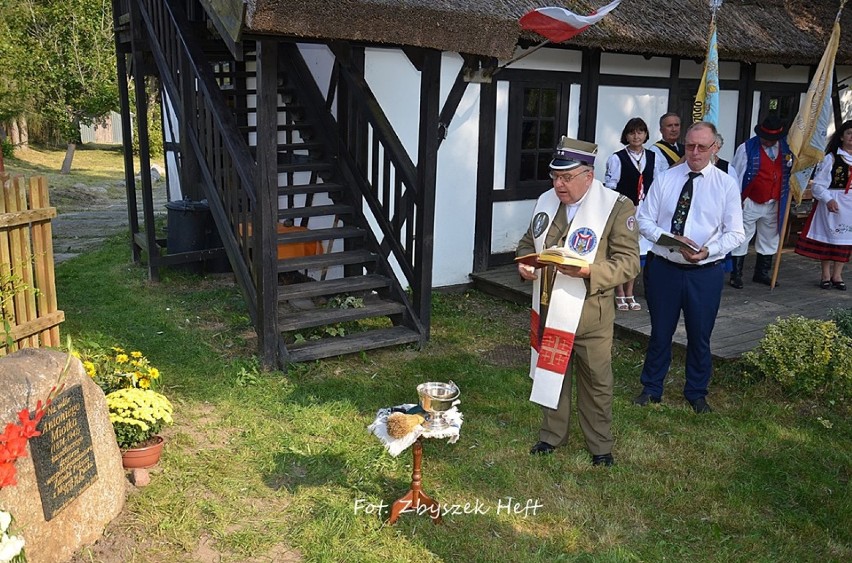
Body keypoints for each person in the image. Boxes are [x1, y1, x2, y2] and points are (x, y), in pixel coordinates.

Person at [517, 136, 639, 465]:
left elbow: (629, 262)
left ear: (589, 175)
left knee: (597, 381)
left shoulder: (616, 206)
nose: (558, 184)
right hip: (548, 309)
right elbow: (528, 241)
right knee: (551, 374)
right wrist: (525, 263)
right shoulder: (546, 201)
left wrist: (590, 271)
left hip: (590, 315)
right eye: (555, 176)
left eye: (566, 178)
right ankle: (551, 436)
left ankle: (600, 445)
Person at [633, 122, 745, 413]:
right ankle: (651, 388)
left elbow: (736, 233)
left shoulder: (725, 184)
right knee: (660, 332)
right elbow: (644, 220)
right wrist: (668, 238)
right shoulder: (667, 179)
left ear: (715, 148)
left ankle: (696, 392)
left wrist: (709, 251)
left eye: (701, 147)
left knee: (700, 335)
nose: (694, 152)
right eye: (689, 146)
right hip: (664, 269)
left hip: (705, 273)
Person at [604, 117, 665, 311]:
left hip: (645, 209)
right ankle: (619, 292)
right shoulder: (617, 158)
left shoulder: (654, 157)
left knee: (637, 253)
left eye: (640, 132)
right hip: (624, 209)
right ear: (626, 135)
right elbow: (611, 187)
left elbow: (658, 185)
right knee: (621, 250)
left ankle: (630, 291)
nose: (636, 136)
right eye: (632, 132)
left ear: (646, 134)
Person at [729, 115, 794, 288]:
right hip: (751, 200)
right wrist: (737, 200)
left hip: (775, 201)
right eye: (766, 138)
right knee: (741, 236)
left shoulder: (788, 149)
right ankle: (736, 274)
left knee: (769, 237)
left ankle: (762, 273)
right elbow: (737, 175)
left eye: (772, 139)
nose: (768, 142)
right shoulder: (746, 148)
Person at [794, 120, 852, 290]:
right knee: (830, 239)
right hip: (833, 202)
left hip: (850, 206)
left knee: (845, 239)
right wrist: (828, 199)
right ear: (841, 136)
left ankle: (837, 275)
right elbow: (818, 185)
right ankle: (826, 274)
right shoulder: (832, 158)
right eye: (849, 133)